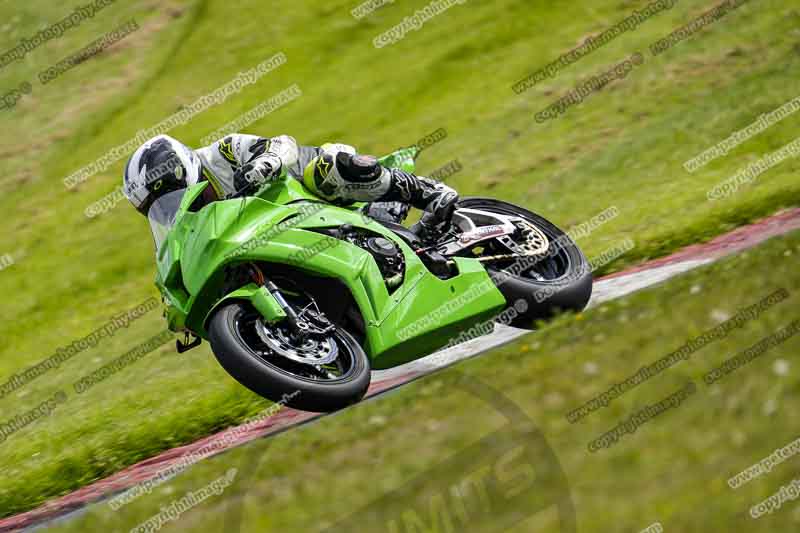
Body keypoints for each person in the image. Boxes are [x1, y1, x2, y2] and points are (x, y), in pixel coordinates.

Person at [122, 133, 458, 241]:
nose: (172, 211)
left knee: (325, 172)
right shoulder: (186, 222)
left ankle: (431, 194)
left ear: (186, 170)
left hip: (316, 190)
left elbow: (284, 145)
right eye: (159, 210)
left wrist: (263, 164)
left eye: (172, 198)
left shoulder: (221, 152)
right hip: (293, 232)